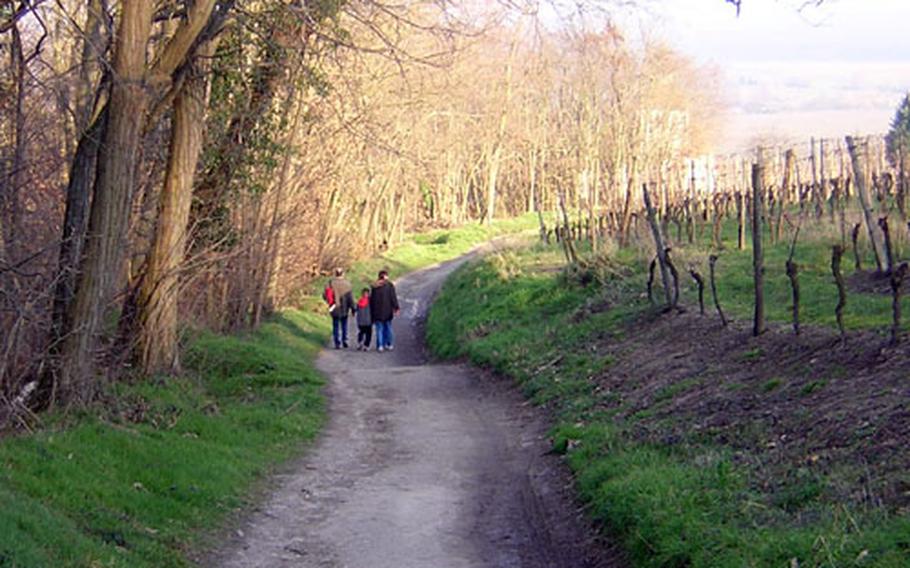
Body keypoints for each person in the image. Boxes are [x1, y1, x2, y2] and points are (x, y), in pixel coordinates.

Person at [369, 269, 399, 352]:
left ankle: (380, 345)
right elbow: (393, 298)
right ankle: (389, 344)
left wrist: (371, 311)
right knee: (388, 327)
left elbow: (372, 300)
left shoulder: (374, 287)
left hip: (377, 312)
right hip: (388, 311)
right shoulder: (389, 286)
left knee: (379, 329)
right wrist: (396, 307)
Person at [327, 268, 354, 348]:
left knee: (336, 325)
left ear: (335, 274)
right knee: (344, 324)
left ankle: (337, 342)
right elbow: (350, 297)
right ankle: (344, 339)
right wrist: (353, 308)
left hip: (334, 306)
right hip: (344, 307)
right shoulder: (347, 284)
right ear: (343, 274)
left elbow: (326, 294)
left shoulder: (331, 283)